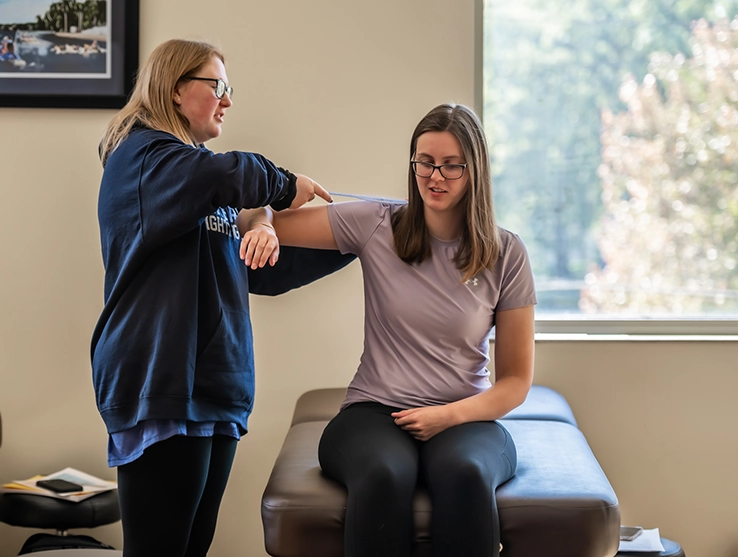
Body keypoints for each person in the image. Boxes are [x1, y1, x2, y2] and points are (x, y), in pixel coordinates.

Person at [90, 38, 343, 557]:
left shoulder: (192, 176)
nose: (227, 100)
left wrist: (359, 235)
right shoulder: (145, 161)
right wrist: (283, 184)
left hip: (213, 383)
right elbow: (231, 175)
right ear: (177, 90)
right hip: (160, 380)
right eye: (218, 86)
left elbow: (258, 270)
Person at [260, 103, 537, 557]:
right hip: (374, 412)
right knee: (383, 475)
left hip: (463, 415)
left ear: (475, 171)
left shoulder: (506, 253)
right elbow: (264, 220)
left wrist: (445, 416)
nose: (436, 177)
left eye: (452, 166)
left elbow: (515, 383)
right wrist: (263, 227)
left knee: (465, 474)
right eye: (425, 162)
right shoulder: (378, 224)